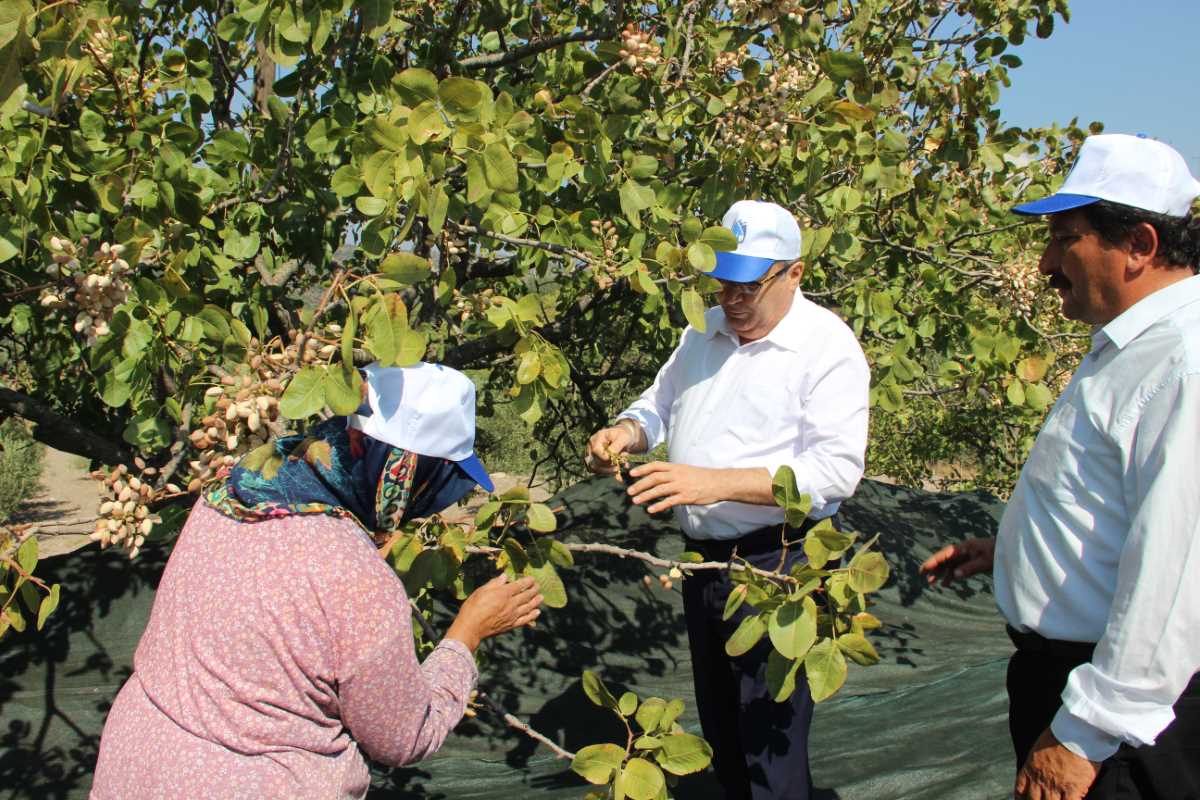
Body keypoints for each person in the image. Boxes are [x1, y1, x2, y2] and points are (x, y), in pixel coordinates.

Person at [92, 362, 544, 799]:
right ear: (406, 471)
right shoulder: (357, 580)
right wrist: (467, 632)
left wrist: (362, 542)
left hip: (134, 762)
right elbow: (404, 738)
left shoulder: (236, 487)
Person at [920, 134, 1200, 799]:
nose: (1046, 263)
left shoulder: (1182, 362)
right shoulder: (1129, 346)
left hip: (1122, 722)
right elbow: (1115, 503)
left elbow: (1177, 571)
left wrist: (1083, 735)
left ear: (1139, 245)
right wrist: (1016, 548)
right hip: (1072, 686)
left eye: (1064, 238)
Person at [585, 200, 870, 800]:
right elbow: (656, 404)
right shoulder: (702, 332)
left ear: (794, 273)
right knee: (723, 731)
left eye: (748, 284)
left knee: (771, 741)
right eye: (720, 281)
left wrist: (711, 483)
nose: (731, 298)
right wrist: (625, 432)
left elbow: (835, 473)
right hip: (706, 566)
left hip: (780, 566)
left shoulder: (828, 348)